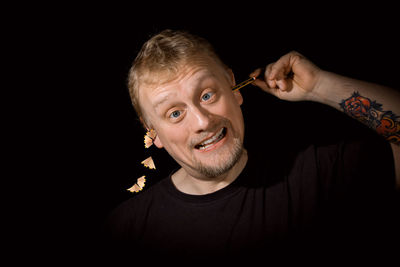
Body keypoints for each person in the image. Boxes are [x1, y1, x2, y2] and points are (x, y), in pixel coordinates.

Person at [103, 29, 399, 264]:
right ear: (151, 131)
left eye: (207, 95)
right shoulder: (127, 230)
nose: (202, 121)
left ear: (234, 87)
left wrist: (320, 86)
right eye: (175, 113)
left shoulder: (319, 174)